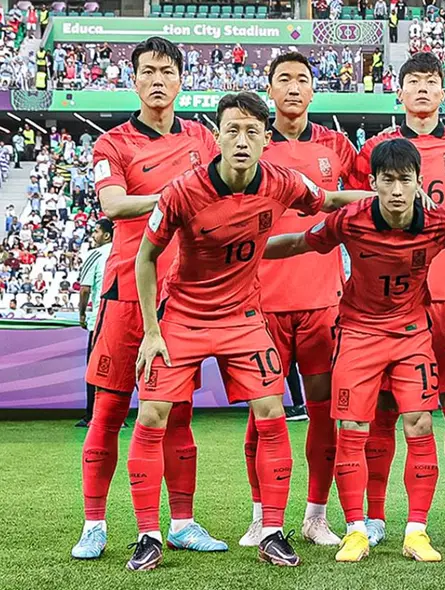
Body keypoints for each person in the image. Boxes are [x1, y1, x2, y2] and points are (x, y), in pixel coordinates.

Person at [126, 91, 373, 571]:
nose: (242, 141)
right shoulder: (182, 191)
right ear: (217, 137)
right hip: (184, 317)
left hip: (242, 317)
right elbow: (146, 257)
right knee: (153, 415)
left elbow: (330, 199)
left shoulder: (282, 182)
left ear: (265, 139)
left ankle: (272, 531)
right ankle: (148, 535)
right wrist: (152, 332)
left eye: (252, 132)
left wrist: (383, 198)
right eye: (232, 131)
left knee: (271, 412)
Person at [265, 137, 445, 563]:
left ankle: (416, 532)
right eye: (387, 180)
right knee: (353, 428)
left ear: (418, 182)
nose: (396, 190)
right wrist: (242, 253)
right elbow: (299, 242)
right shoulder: (349, 220)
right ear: (372, 182)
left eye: (405, 180)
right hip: (358, 333)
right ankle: (356, 530)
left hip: (412, 335)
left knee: (420, 424)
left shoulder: (438, 222)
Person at [73, 37, 222, 562]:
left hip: (180, 299)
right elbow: (114, 205)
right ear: (133, 79)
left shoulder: (203, 138)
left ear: (182, 79)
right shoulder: (112, 144)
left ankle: (181, 523)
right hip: (125, 295)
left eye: (167, 71)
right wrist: (178, 195)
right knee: (108, 412)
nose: (158, 80)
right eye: (148, 71)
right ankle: (94, 524)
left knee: (178, 416)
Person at [348, 52, 445, 547]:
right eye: (414, 81)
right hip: (388, 304)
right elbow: (356, 212)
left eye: (431, 81)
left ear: (442, 90)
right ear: (400, 91)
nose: (423, 89)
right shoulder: (374, 150)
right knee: (385, 409)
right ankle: (374, 516)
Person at [238, 51, 359, 549]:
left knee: (324, 411)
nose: (292, 87)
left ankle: (316, 516)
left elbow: (362, 208)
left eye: (301, 79)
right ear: (269, 89)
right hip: (260, 301)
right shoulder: (252, 144)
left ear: (313, 90)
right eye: (283, 79)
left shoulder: (338, 146)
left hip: (322, 301)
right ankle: (260, 516)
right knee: (261, 415)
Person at [76, 218, 114, 428]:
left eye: (96, 231)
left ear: (107, 235)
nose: (93, 235)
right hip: (120, 320)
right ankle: (116, 416)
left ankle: (92, 415)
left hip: (99, 320)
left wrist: (82, 315)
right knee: (116, 369)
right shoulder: (124, 253)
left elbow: (84, 289)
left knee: (94, 368)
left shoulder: (95, 254)